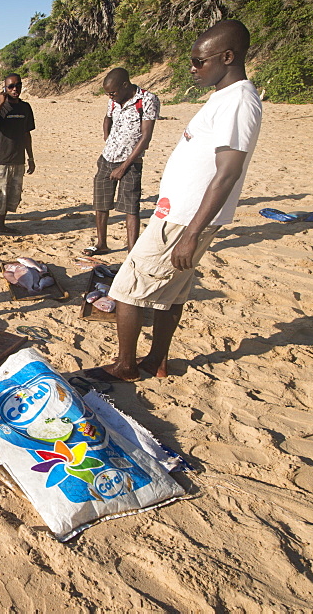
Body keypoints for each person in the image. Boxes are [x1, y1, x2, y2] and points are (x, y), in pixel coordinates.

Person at [85, 19, 262, 382]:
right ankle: (156, 361)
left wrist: (193, 231)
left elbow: (227, 172)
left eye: (200, 61)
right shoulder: (224, 98)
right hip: (181, 216)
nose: (193, 68)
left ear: (227, 57)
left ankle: (126, 366)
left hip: (183, 220)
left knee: (127, 289)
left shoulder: (239, 102)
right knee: (172, 293)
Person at [85, 67, 160, 255]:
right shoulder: (113, 101)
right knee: (101, 203)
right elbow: (107, 117)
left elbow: (146, 137)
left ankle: (131, 251)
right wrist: (107, 136)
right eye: (108, 94)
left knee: (130, 206)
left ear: (125, 85)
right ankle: (102, 244)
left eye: (113, 93)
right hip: (107, 158)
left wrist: (124, 166)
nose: (111, 97)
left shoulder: (147, 100)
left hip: (131, 162)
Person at [0, 74, 36, 238]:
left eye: (18, 85)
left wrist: (31, 158)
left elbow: (27, 134)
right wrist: (0, 104)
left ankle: (1, 225)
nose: (15, 89)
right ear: (4, 88)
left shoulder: (25, 107)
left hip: (17, 159)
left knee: (10, 195)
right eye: (11, 86)